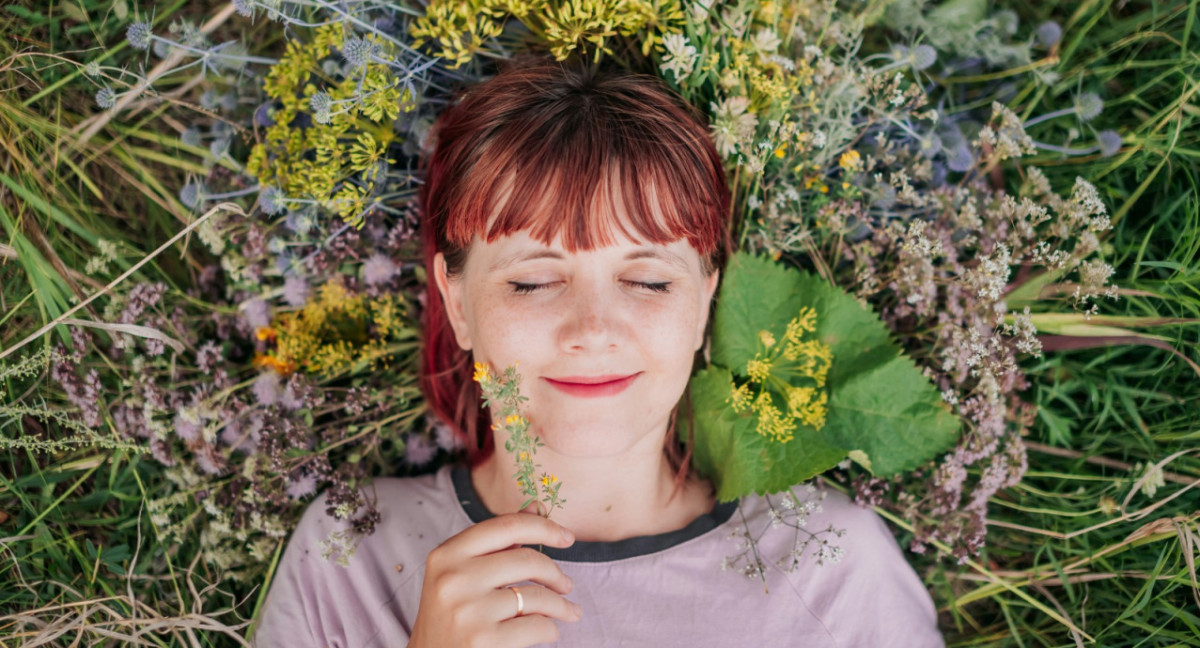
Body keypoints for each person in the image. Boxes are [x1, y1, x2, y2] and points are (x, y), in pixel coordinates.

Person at [253, 52, 945, 648]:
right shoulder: (352, 552)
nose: (593, 327)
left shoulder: (831, 573)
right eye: (531, 281)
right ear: (459, 304)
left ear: (706, 300)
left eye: (645, 279)